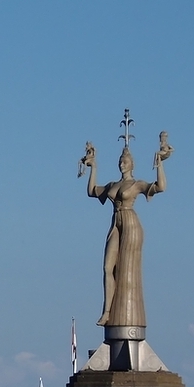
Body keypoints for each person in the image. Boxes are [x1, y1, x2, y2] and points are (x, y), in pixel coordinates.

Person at [79, 126, 169, 327]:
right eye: (120, 161)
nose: (122, 163)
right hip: (115, 222)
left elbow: (161, 187)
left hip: (130, 221)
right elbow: (92, 191)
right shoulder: (112, 185)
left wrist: (160, 163)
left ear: (132, 164)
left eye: (125, 161)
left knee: (127, 270)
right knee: (107, 267)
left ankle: (123, 313)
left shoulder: (136, 184)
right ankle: (107, 311)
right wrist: (93, 167)